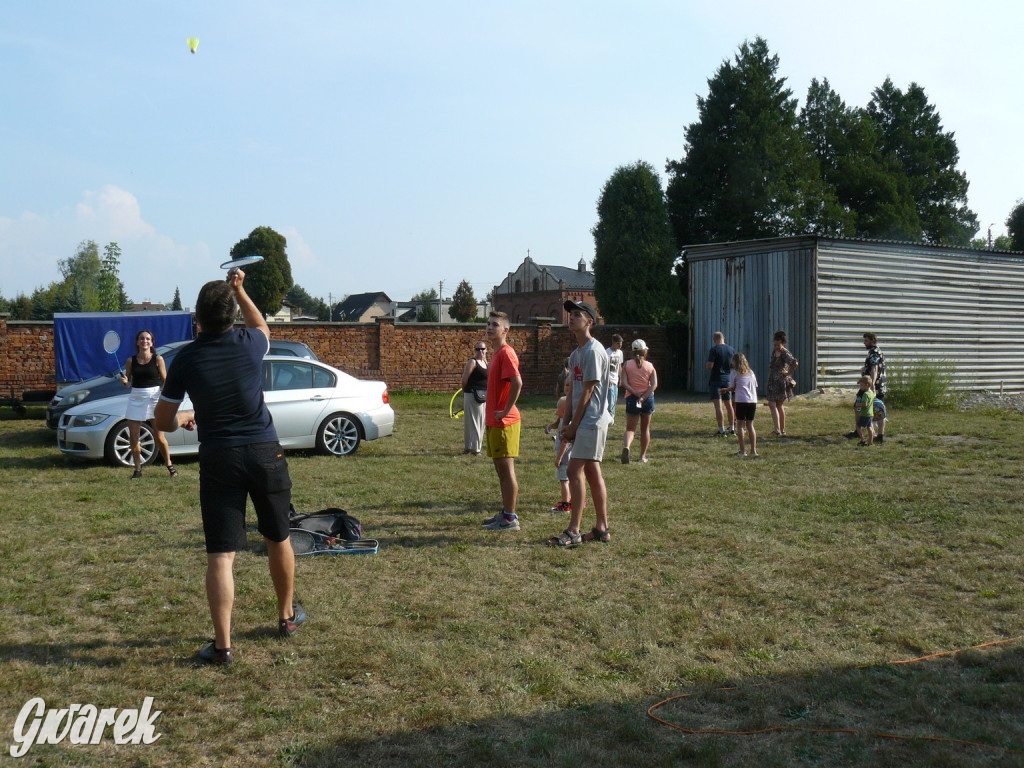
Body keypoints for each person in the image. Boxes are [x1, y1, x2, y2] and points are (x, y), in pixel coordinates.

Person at [154, 269, 304, 665]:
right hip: (263, 451)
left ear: (197, 320)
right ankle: (286, 618)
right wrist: (241, 290)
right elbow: (263, 326)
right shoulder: (249, 342)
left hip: (220, 457)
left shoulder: (185, 358)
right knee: (278, 537)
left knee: (221, 555)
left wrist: (186, 416)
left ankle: (223, 646)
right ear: (232, 316)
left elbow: (162, 421)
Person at [548, 300, 611, 547]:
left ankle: (574, 530)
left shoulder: (594, 351)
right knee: (593, 473)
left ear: (590, 322)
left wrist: (574, 425)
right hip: (582, 421)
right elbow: (573, 393)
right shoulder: (576, 354)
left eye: (577, 314)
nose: (571, 318)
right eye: (570, 314)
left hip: (592, 421)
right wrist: (566, 423)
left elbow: (587, 391)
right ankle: (602, 528)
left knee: (574, 470)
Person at [480, 311, 523, 532]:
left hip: (505, 422)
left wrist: (505, 410)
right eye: (488, 324)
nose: (490, 327)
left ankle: (510, 518)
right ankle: (506, 511)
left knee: (507, 472)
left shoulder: (506, 353)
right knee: (500, 471)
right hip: (494, 421)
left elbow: (517, 382)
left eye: (495, 324)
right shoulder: (496, 354)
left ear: (505, 330)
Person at [119, 329, 177, 479]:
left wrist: (162, 395)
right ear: (137, 342)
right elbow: (129, 383)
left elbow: (165, 380)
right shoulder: (131, 361)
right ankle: (138, 469)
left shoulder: (158, 359)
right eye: (142, 339)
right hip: (136, 397)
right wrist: (126, 382)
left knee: (159, 436)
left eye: (148, 339)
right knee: (134, 437)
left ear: (152, 343)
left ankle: (170, 466)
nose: (145, 341)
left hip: (154, 397)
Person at [620, 339, 657, 464]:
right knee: (645, 429)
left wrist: (636, 394)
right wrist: (643, 396)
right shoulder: (650, 366)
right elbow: (654, 385)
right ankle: (642, 456)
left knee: (630, 429)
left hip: (632, 398)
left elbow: (623, 383)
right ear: (645, 351)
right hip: (647, 399)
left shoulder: (626, 365)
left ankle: (627, 447)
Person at [848, 333, 887, 442]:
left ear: (873, 340)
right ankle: (879, 435)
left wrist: (872, 385)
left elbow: (874, 369)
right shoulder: (877, 351)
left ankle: (859, 431)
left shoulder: (874, 352)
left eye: (866, 341)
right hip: (879, 386)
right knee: (879, 410)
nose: (864, 343)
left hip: (870, 387)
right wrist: (864, 369)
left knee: (860, 407)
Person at [721, 353, 758, 457]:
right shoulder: (751, 373)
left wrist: (725, 389)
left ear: (735, 362)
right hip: (753, 401)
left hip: (741, 400)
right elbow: (755, 386)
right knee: (750, 425)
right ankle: (753, 451)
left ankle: (742, 451)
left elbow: (732, 387)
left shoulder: (735, 373)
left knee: (740, 425)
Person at [545, 378, 572, 513]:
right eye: (565, 384)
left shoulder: (569, 407)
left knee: (564, 480)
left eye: (569, 385)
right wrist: (551, 426)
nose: (567, 387)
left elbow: (564, 442)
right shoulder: (566, 405)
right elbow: (558, 421)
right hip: (572, 456)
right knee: (573, 479)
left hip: (565, 457)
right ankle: (576, 500)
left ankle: (565, 505)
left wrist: (559, 458)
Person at [766, 330, 798, 436]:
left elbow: (794, 363)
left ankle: (778, 429)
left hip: (780, 383)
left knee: (774, 404)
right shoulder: (774, 353)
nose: (776, 347)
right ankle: (781, 429)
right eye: (774, 344)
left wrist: (788, 372)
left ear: (783, 343)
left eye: (778, 345)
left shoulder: (785, 352)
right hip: (772, 382)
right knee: (777, 405)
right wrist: (769, 379)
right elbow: (772, 367)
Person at [460, 340, 488, 455]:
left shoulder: (486, 363)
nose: (480, 351)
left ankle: (471, 447)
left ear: (486, 350)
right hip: (472, 394)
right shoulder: (472, 362)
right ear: (474, 350)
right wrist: (465, 392)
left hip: (483, 395)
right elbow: (464, 379)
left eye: (482, 349)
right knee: (473, 422)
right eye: (477, 349)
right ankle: (474, 449)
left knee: (481, 421)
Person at [707, 331, 736, 437]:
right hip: (727, 379)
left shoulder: (714, 349)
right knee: (729, 405)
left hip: (716, 379)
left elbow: (710, 365)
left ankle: (721, 430)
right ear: (724, 338)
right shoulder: (731, 349)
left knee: (719, 406)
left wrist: (708, 366)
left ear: (715, 339)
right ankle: (732, 428)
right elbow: (733, 364)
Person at [605, 334, 624, 422]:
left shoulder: (620, 353)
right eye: (618, 343)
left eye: (621, 343)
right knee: (610, 399)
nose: (620, 345)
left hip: (616, 379)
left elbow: (619, 366)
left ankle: (612, 416)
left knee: (615, 399)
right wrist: (607, 379)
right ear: (613, 343)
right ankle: (610, 417)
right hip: (609, 380)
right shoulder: (607, 352)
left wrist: (621, 378)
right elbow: (603, 368)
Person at [854, 375, 875, 446]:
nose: (860, 386)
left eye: (862, 385)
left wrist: (857, 404)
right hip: (871, 413)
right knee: (869, 427)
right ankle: (870, 442)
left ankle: (863, 440)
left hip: (865, 414)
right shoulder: (871, 393)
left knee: (858, 426)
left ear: (867, 385)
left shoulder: (865, 394)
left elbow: (864, 404)